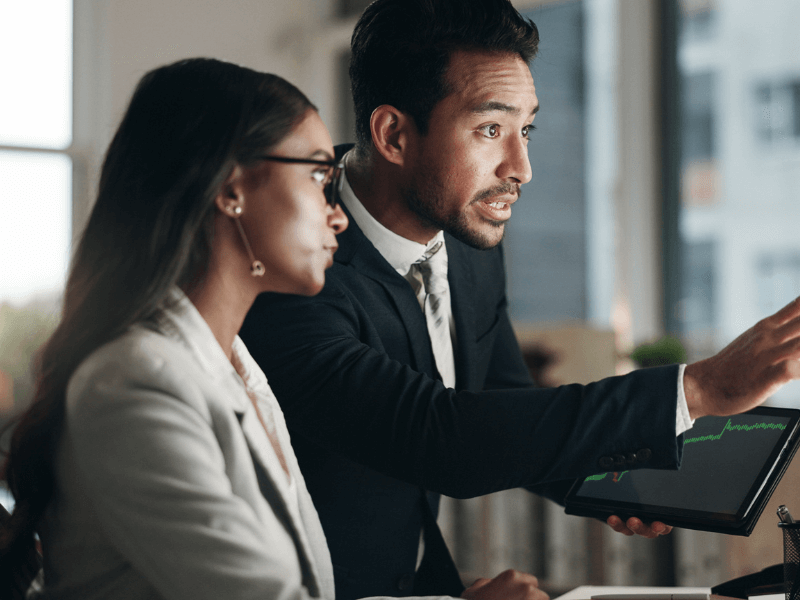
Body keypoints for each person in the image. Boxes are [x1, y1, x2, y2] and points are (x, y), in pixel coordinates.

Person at [238, 0, 800, 598]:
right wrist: (697, 390)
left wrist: (613, 472)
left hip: (425, 579)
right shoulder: (291, 267)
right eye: (490, 129)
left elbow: (500, 397)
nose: (522, 167)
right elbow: (439, 437)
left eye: (525, 129)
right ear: (394, 135)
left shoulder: (470, 240)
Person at [0, 58, 546, 600]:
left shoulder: (234, 363)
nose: (336, 213)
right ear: (232, 189)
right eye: (317, 176)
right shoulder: (135, 384)